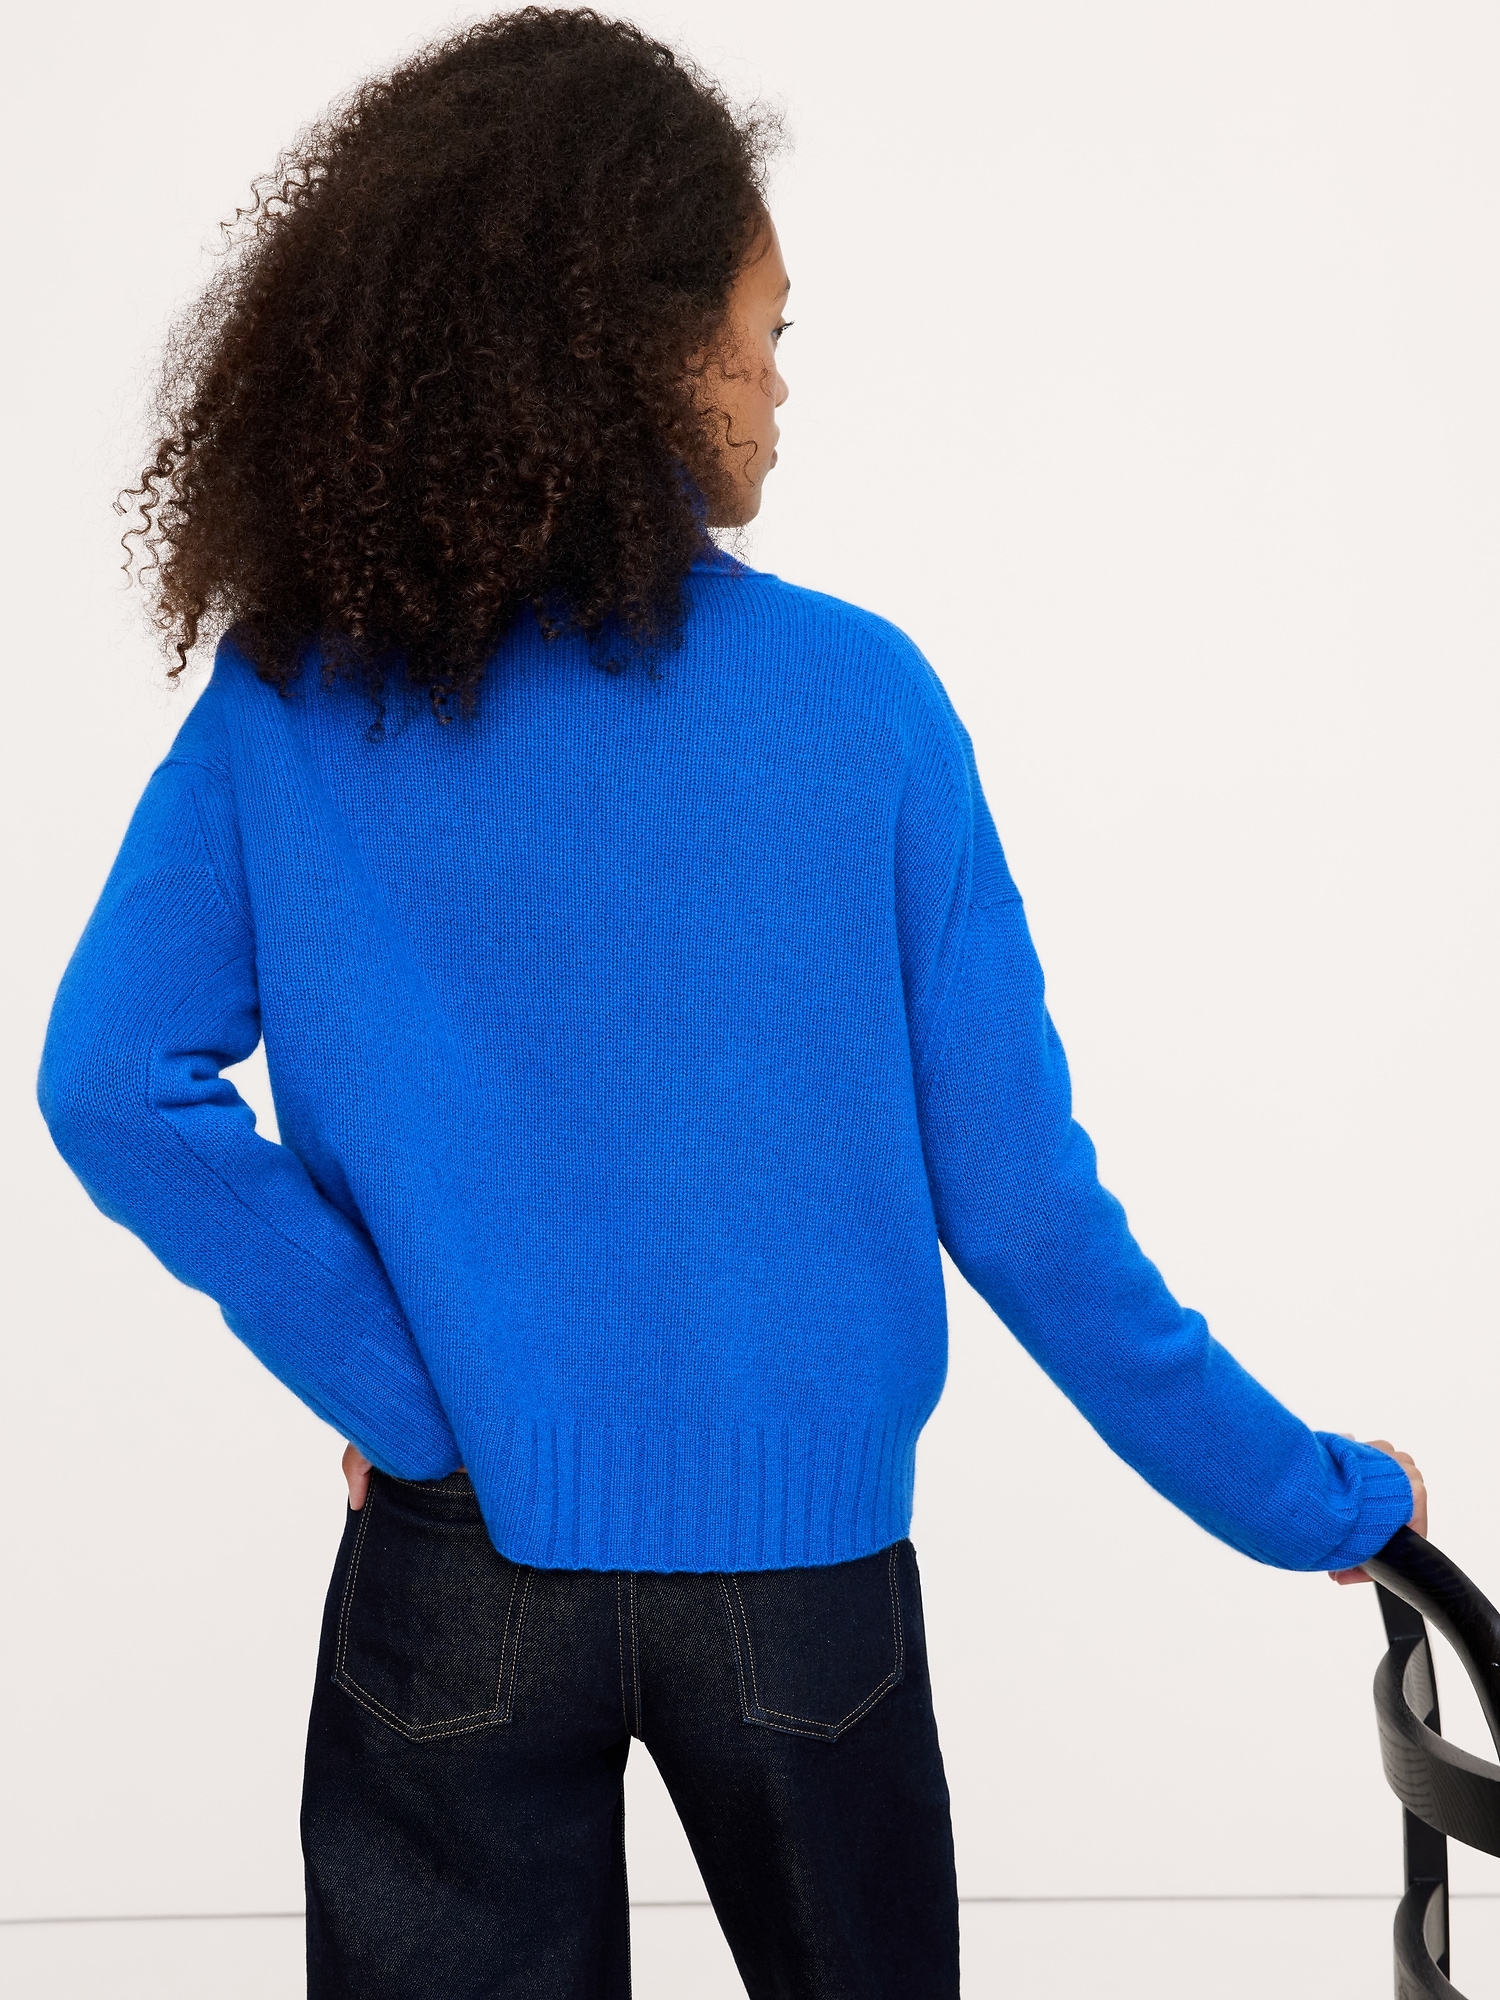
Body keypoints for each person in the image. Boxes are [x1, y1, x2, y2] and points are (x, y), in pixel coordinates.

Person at [36, 9, 1425, 1997]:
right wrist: (1308, 1496)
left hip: (459, 1557)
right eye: (763, 332)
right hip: (802, 1589)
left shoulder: (297, 693)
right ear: (629, 352)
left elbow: (113, 1081)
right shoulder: (864, 704)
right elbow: (1025, 1210)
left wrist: (410, 1393)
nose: (783, 383)